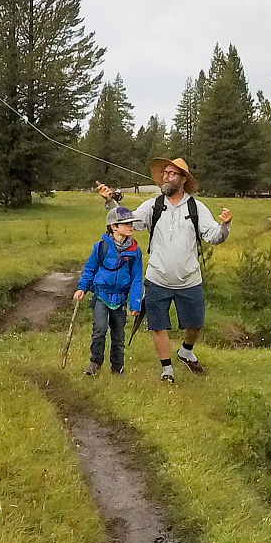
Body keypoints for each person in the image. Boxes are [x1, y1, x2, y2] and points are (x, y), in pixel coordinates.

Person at [94, 156, 231, 382]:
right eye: (164, 174)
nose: (166, 177)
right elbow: (130, 222)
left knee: (195, 323)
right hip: (157, 278)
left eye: (171, 174)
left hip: (189, 280)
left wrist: (224, 225)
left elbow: (214, 237)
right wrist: (111, 202)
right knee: (158, 326)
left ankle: (186, 351)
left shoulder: (197, 208)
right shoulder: (153, 205)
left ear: (183, 179)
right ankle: (167, 369)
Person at [73, 205, 146, 376]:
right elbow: (90, 269)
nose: (130, 226)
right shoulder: (100, 247)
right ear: (114, 227)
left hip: (120, 298)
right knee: (99, 329)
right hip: (101, 295)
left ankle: (117, 368)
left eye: (131, 223)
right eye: (126, 223)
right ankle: (95, 363)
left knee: (118, 334)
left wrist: (135, 303)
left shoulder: (135, 251)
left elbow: (136, 278)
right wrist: (82, 288)